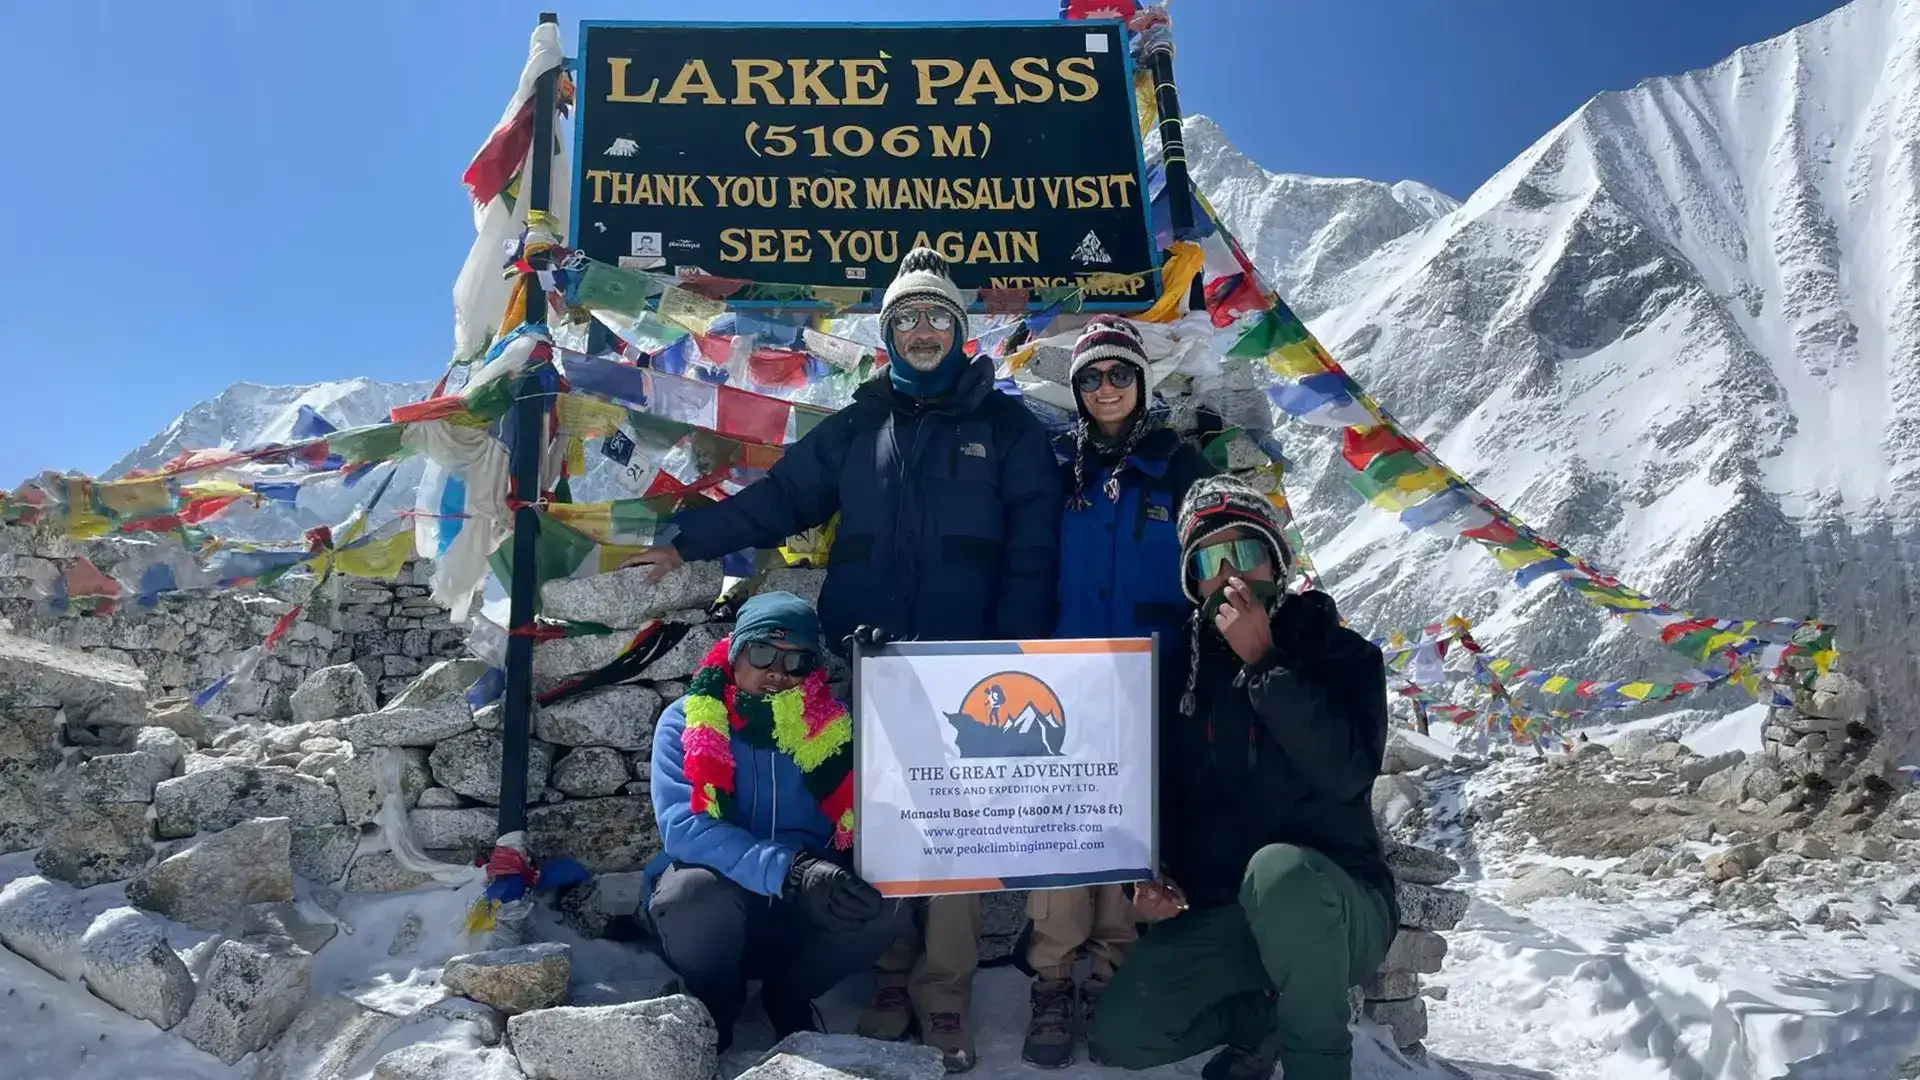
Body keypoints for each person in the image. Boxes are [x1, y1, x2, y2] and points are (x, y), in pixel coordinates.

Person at [626, 247, 1063, 1072]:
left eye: (937, 317)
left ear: (959, 330)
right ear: (889, 335)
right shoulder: (859, 426)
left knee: (954, 832)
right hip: (864, 668)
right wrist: (686, 541)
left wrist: (1008, 655)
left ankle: (943, 992)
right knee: (875, 825)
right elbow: (781, 500)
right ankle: (886, 977)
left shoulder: (1007, 430)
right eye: (907, 319)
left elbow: (1033, 552)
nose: (923, 331)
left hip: (967, 675)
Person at [1087, 476, 1398, 1080]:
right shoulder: (1177, 676)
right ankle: (1265, 1021)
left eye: (1247, 552)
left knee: (1282, 873)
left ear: (1276, 563)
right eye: (1210, 561)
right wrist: (1152, 879)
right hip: (1232, 916)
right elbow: (1164, 799)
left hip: (1338, 908)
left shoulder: (1341, 655)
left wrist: (1266, 663)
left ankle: (1317, 1063)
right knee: (1126, 1032)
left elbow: (1345, 776)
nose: (1231, 574)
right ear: (1193, 581)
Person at [1021, 315, 1216, 1069]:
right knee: (1062, 828)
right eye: (1092, 377)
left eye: (1120, 374)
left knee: (1131, 829)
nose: (1107, 388)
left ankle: (1110, 972)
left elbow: (1211, 563)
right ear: (1076, 389)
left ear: (1141, 381)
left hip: (1151, 677)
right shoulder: (1055, 467)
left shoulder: (1180, 467)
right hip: (1066, 680)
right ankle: (1050, 977)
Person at [644, 591, 911, 1052]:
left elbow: (896, 779)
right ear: (736, 652)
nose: (777, 672)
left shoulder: (838, 724)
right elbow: (683, 828)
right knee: (690, 895)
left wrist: (885, 678)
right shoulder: (686, 721)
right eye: (763, 653)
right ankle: (717, 1001)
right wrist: (791, 871)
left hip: (807, 902)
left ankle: (789, 995)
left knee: (891, 899)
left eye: (796, 662)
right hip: (724, 895)